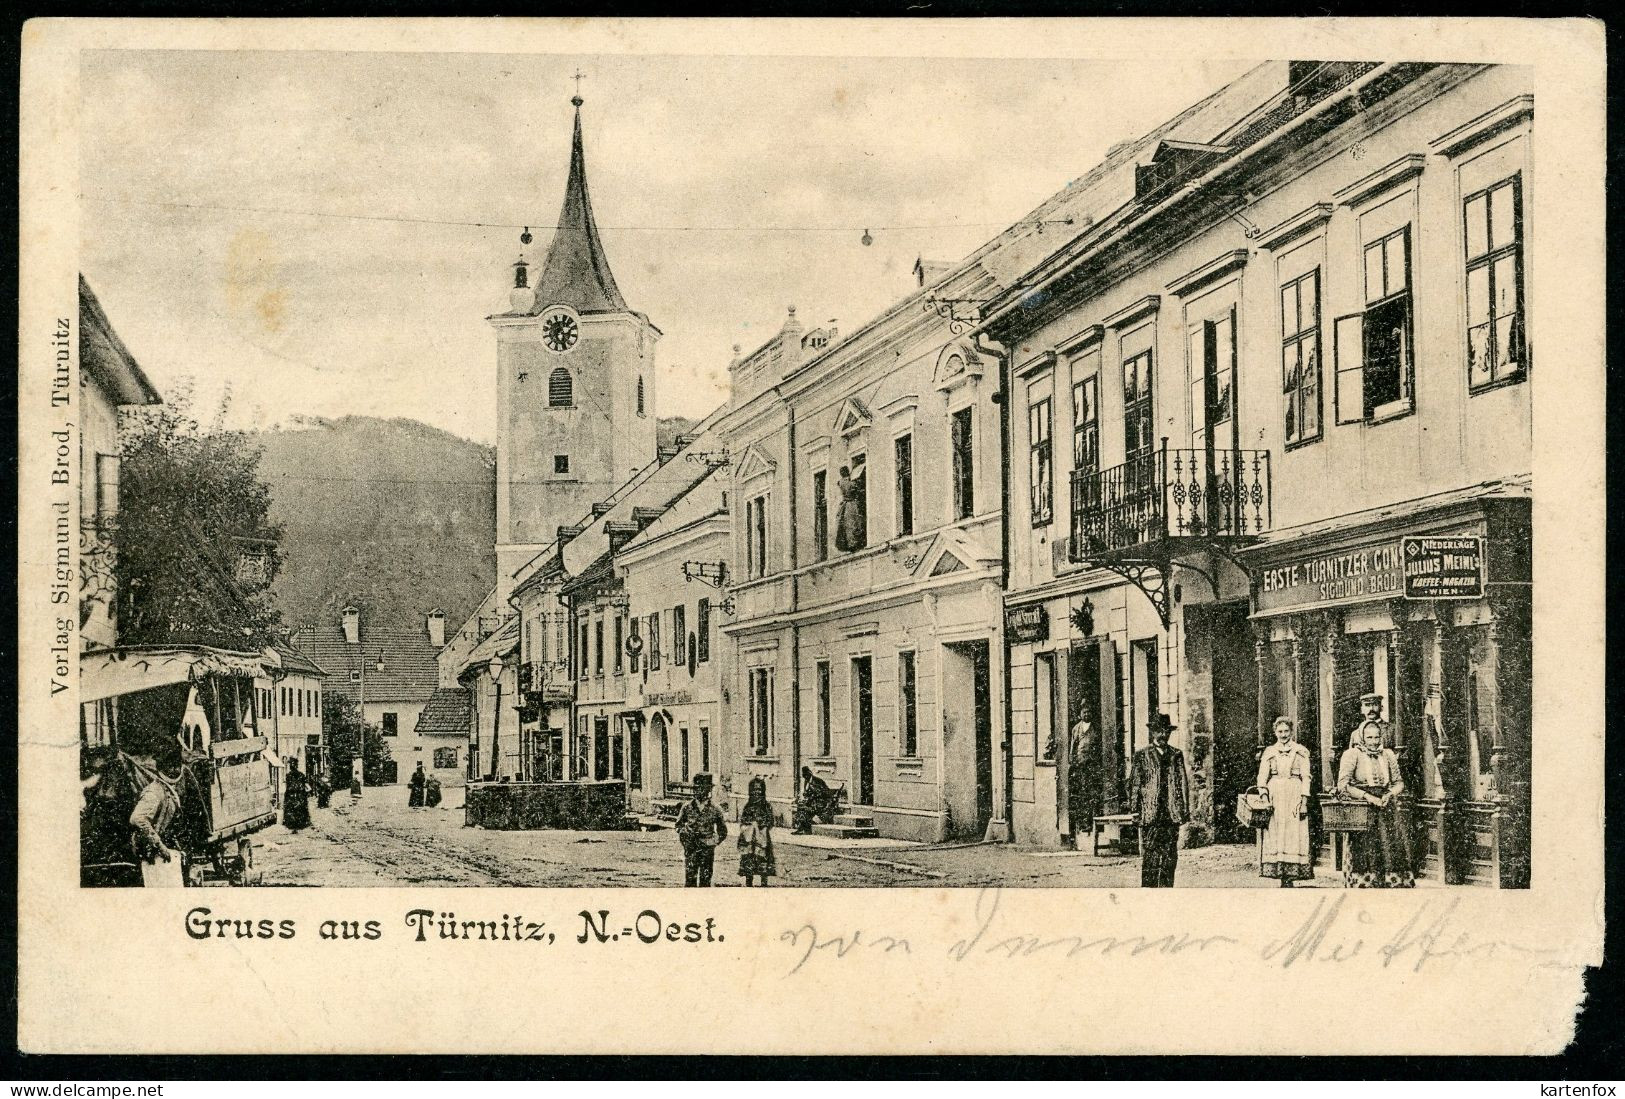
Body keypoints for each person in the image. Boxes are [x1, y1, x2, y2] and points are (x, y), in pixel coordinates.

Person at [1338, 722, 1415, 888]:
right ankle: (1365, 881)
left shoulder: (1387, 754)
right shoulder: (1352, 754)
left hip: (1386, 805)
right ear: (1362, 737)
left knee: (1389, 843)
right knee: (1365, 846)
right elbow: (1343, 784)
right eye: (1369, 737)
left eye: (1377, 737)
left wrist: (1390, 794)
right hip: (1363, 807)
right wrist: (1367, 796)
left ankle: (1391, 881)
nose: (1373, 741)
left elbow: (1399, 782)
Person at [1128, 713, 1190, 888]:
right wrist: (1134, 810)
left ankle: (1166, 890)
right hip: (1150, 812)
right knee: (1150, 854)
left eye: (1165, 731)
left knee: (1170, 854)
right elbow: (1134, 784)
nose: (1163, 735)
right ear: (1152, 733)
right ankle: (1148, 891)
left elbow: (1183, 782)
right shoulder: (1141, 755)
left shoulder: (1176, 754)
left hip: (1171, 812)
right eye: (1159, 731)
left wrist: (1184, 808)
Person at [1256, 716, 1314, 886]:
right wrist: (1265, 798)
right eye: (1280, 731)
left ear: (1291, 732)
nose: (1283, 735)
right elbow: (1262, 777)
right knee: (1276, 832)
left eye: (1286, 731)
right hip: (1275, 796)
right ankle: (1279, 873)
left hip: (1294, 794)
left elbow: (1306, 777)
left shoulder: (1301, 751)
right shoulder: (1269, 752)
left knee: (1294, 833)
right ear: (1275, 732)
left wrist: (1303, 803)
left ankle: (1291, 875)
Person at [129, 747, 187, 886]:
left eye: (176, 766)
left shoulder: (167, 788)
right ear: (161, 769)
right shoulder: (154, 792)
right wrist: (161, 847)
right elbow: (138, 818)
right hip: (152, 856)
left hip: (162, 855)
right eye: (170, 767)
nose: (174, 770)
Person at [675, 773, 727, 887]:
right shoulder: (687, 807)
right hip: (691, 849)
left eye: (703, 788)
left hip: (707, 850)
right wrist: (685, 835)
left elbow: (723, 831)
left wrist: (714, 842)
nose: (699, 791)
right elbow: (678, 825)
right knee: (690, 880)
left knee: (705, 881)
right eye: (697, 788)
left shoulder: (715, 809)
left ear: (709, 789)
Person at [1065, 701, 1100, 848]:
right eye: (1084, 712)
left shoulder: (1095, 728)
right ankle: (1082, 824)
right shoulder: (1076, 729)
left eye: (1088, 712)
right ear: (1080, 714)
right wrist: (1072, 763)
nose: (1086, 714)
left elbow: (1098, 747)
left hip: (1091, 766)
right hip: (1080, 767)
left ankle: (1092, 823)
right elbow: (1073, 748)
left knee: (1092, 794)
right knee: (1081, 795)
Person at [737, 777, 777, 887]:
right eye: (754, 789)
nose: (757, 792)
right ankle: (748, 882)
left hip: (762, 839)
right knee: (749, 862)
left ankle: (764, 884)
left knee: (763, 862)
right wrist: (749, 825)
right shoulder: (748, 806)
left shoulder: (766, 806)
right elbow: (743, 821)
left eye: (759, 789)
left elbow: (770, 821)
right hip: (749, 840)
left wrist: (761, 825)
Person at [834, 458, 867, 553]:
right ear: (847, 472)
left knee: (846, 524)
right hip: (851, 503)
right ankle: (854, 543)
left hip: (844, 505)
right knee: (854, 523)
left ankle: (850, 543)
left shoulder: (840, 482)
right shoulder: (849, 482)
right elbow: (854, 488)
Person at [792, 766, 836, 833]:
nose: (805, 778)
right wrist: (805, 795)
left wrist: (812, 796)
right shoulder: (806, 781)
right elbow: (807, 792)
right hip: (813, 802)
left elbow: (824, 793)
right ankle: (801, 828)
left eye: (806, 776)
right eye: (804, 776)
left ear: (810, 774)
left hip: (821, 802)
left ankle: (806, 828)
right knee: (801, 807)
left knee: (806, 809)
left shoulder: (817, 781)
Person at [282, 757, 312, 832]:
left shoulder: (290, 775)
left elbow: (288, 786)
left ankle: (294, 825)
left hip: (293, 795)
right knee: (298, 809)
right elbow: (308, 787)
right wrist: (306, 792)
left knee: (294, 810)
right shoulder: (298, 775)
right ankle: (298, 825)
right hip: (298, 795)